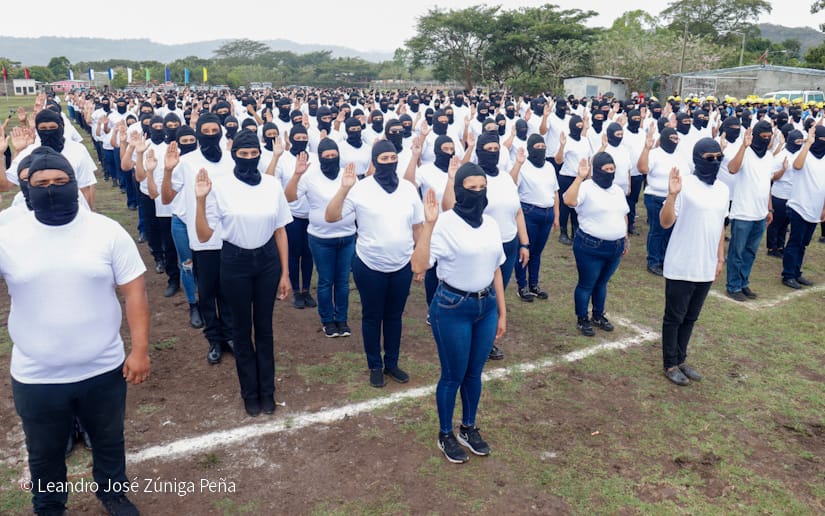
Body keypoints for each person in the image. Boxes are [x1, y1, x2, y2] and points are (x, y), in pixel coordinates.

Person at [0, 147, 149, 515]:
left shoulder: (105, 231)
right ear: (27, 190)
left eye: (60, 181)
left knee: (109, 439)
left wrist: (140, 350)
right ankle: (49, 505)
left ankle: (113, 495)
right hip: (37, 374)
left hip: (103, 367)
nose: (51, 188)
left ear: (74, 183)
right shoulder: (8, 234)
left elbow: (134, 291)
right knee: (44, 450)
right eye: (41, 184)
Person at [411, 162, 506, 464]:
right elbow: (418, 265)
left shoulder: (490, 224)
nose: (477, 193)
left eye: (482, 188)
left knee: (474, 373)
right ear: (458, 189)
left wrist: (502, 312)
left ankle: (468, 427)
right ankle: (445, 434)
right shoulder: (445, 224)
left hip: (486, 307)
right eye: (471, 188)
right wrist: (428, 225)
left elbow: (496, 269)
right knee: (453, 375)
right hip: (453, 307)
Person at [194, 130, 292, 416]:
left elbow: (280, 230)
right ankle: (249, 392)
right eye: (243, 154)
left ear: (259, 155)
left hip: (267, 261)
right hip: (235, 261)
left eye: (253, 154)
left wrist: (285, 273)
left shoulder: (272, 185)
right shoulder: (221, 187)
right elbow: (203, 235)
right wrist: (200, 200)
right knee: (240, 329)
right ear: (234, 154)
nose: (248, 158)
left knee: (264, 327)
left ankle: (267, 391)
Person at [325, 140, 424, 388]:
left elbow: (417, 227)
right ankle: (375, 366)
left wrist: (420, 258)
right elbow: (331, 216)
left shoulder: (408, 189)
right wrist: (344, 189)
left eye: (393, 158)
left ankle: (392, 363)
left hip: (401, 264)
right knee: (372, 316)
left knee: (394, 316)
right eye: (384, 159)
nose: (389, 162)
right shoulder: (361, 189)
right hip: (369, 265)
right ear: (375, 161)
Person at [659, 138, 729, 385]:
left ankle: (681, 359)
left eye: (719, 158)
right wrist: (671, 195)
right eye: (710, 158)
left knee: (691, 317)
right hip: (682, 263)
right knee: (674, 317)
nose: (715, 162)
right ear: (698, 158)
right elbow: (665, 222)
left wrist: (719, 257)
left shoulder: (723, 189)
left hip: (706, 264)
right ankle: (670, 364)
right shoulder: (684, 184)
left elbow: (720, 224)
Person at [285, 137, 356, 337]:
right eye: (327, 156)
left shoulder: (347, 175)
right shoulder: (310, 177)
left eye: (334, 155)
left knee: (342, 281)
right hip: (321, 238)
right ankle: (327, 320)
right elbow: (289, 197)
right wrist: (297, 175)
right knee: (326, 280)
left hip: (347, 236)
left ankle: (342, 319)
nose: (331, 158)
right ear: (320, 157)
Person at [563, 153, 629, 336]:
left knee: (602, 283)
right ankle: (582, 318)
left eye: (612, 169)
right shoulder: (586, 187)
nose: (610, 172)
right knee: (587, 284)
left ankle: (598, 315)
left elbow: (623, 214)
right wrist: (579, 177)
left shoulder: (617, 190)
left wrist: (625, 238)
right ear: (597, 170)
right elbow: (569, 200)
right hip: (590, 246)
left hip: (615, 247)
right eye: (606, 169)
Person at [725, 121, 786, 301]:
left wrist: (769, 209)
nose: (765, 140)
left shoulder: (768, 158)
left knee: (750, 252)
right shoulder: (745, 153)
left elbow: (767, 184)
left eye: (769, 137)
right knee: (737, 252)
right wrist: (744, 146)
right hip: (743, 213)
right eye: (763, 137)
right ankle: (733, 286)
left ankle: (743, 282)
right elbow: (732, 169)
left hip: (760, 214)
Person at [510, 134, 559, 302]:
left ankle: (534, 284)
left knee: (537, 252)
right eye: (537, 147)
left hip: (547, 213)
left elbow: (555, 192)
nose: (541, 150)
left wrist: (556, 215)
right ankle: (522, 285)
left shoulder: (549, 167)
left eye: (543, 147)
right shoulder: (524, 166)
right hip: (529, 213)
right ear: (530, 149)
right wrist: (518, 164)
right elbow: (511, 182)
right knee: (525, 250)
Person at [782, 125, 825, 289]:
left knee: (804, 243)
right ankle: (788, 274)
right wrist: (808, 143)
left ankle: (796, 272)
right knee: (795, 241)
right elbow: (797, 166)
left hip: (815, 209)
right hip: (799, 206)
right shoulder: (804, 153)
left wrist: (823, 208)